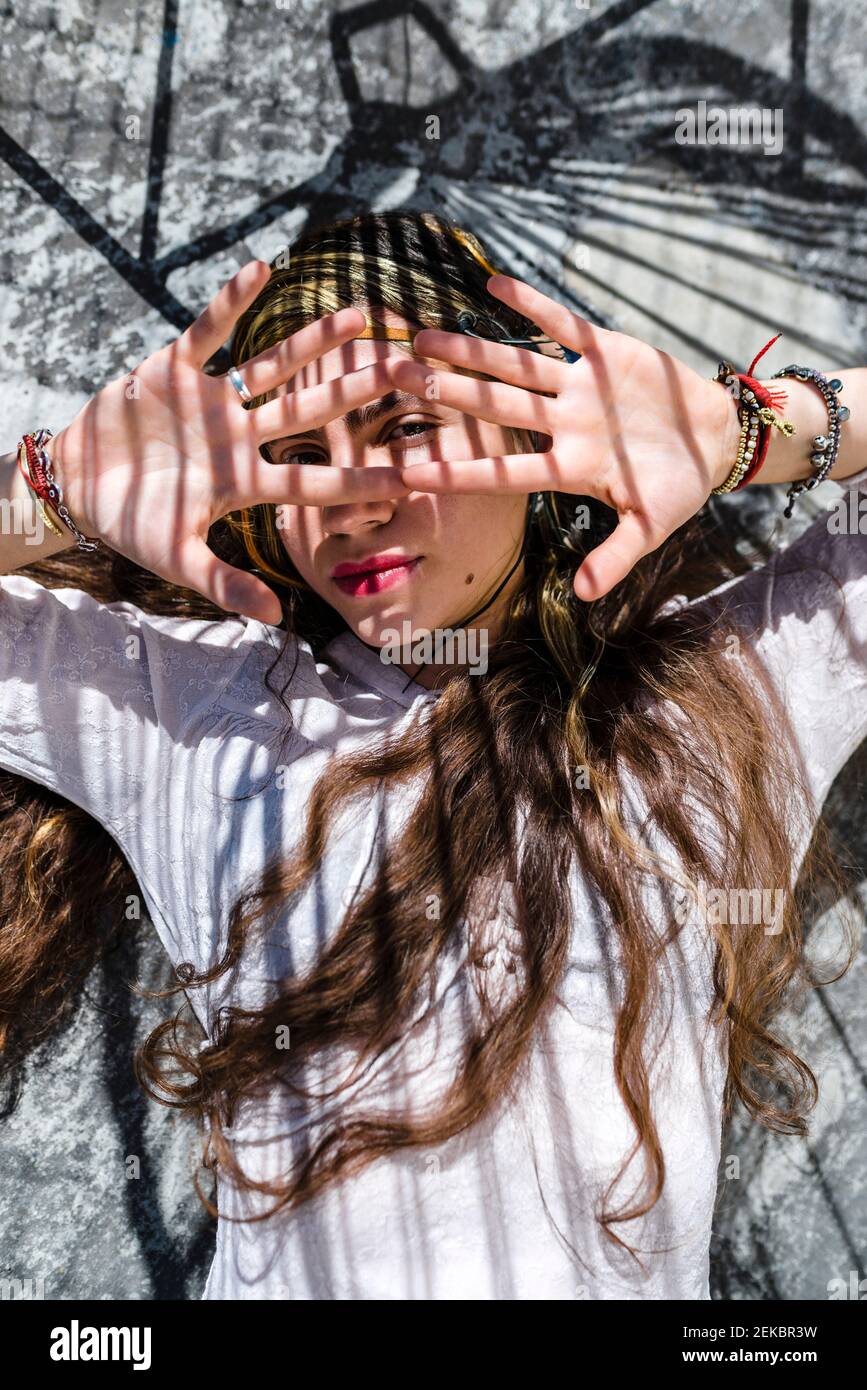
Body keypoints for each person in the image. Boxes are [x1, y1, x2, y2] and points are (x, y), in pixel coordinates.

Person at [0, 209, 864, 1300]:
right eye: (299, 455)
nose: (354, 502)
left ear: (535, 431)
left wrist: (753, 435)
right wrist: (50, 490)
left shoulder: (724, 697)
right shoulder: (200, 711)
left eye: (405, 426)